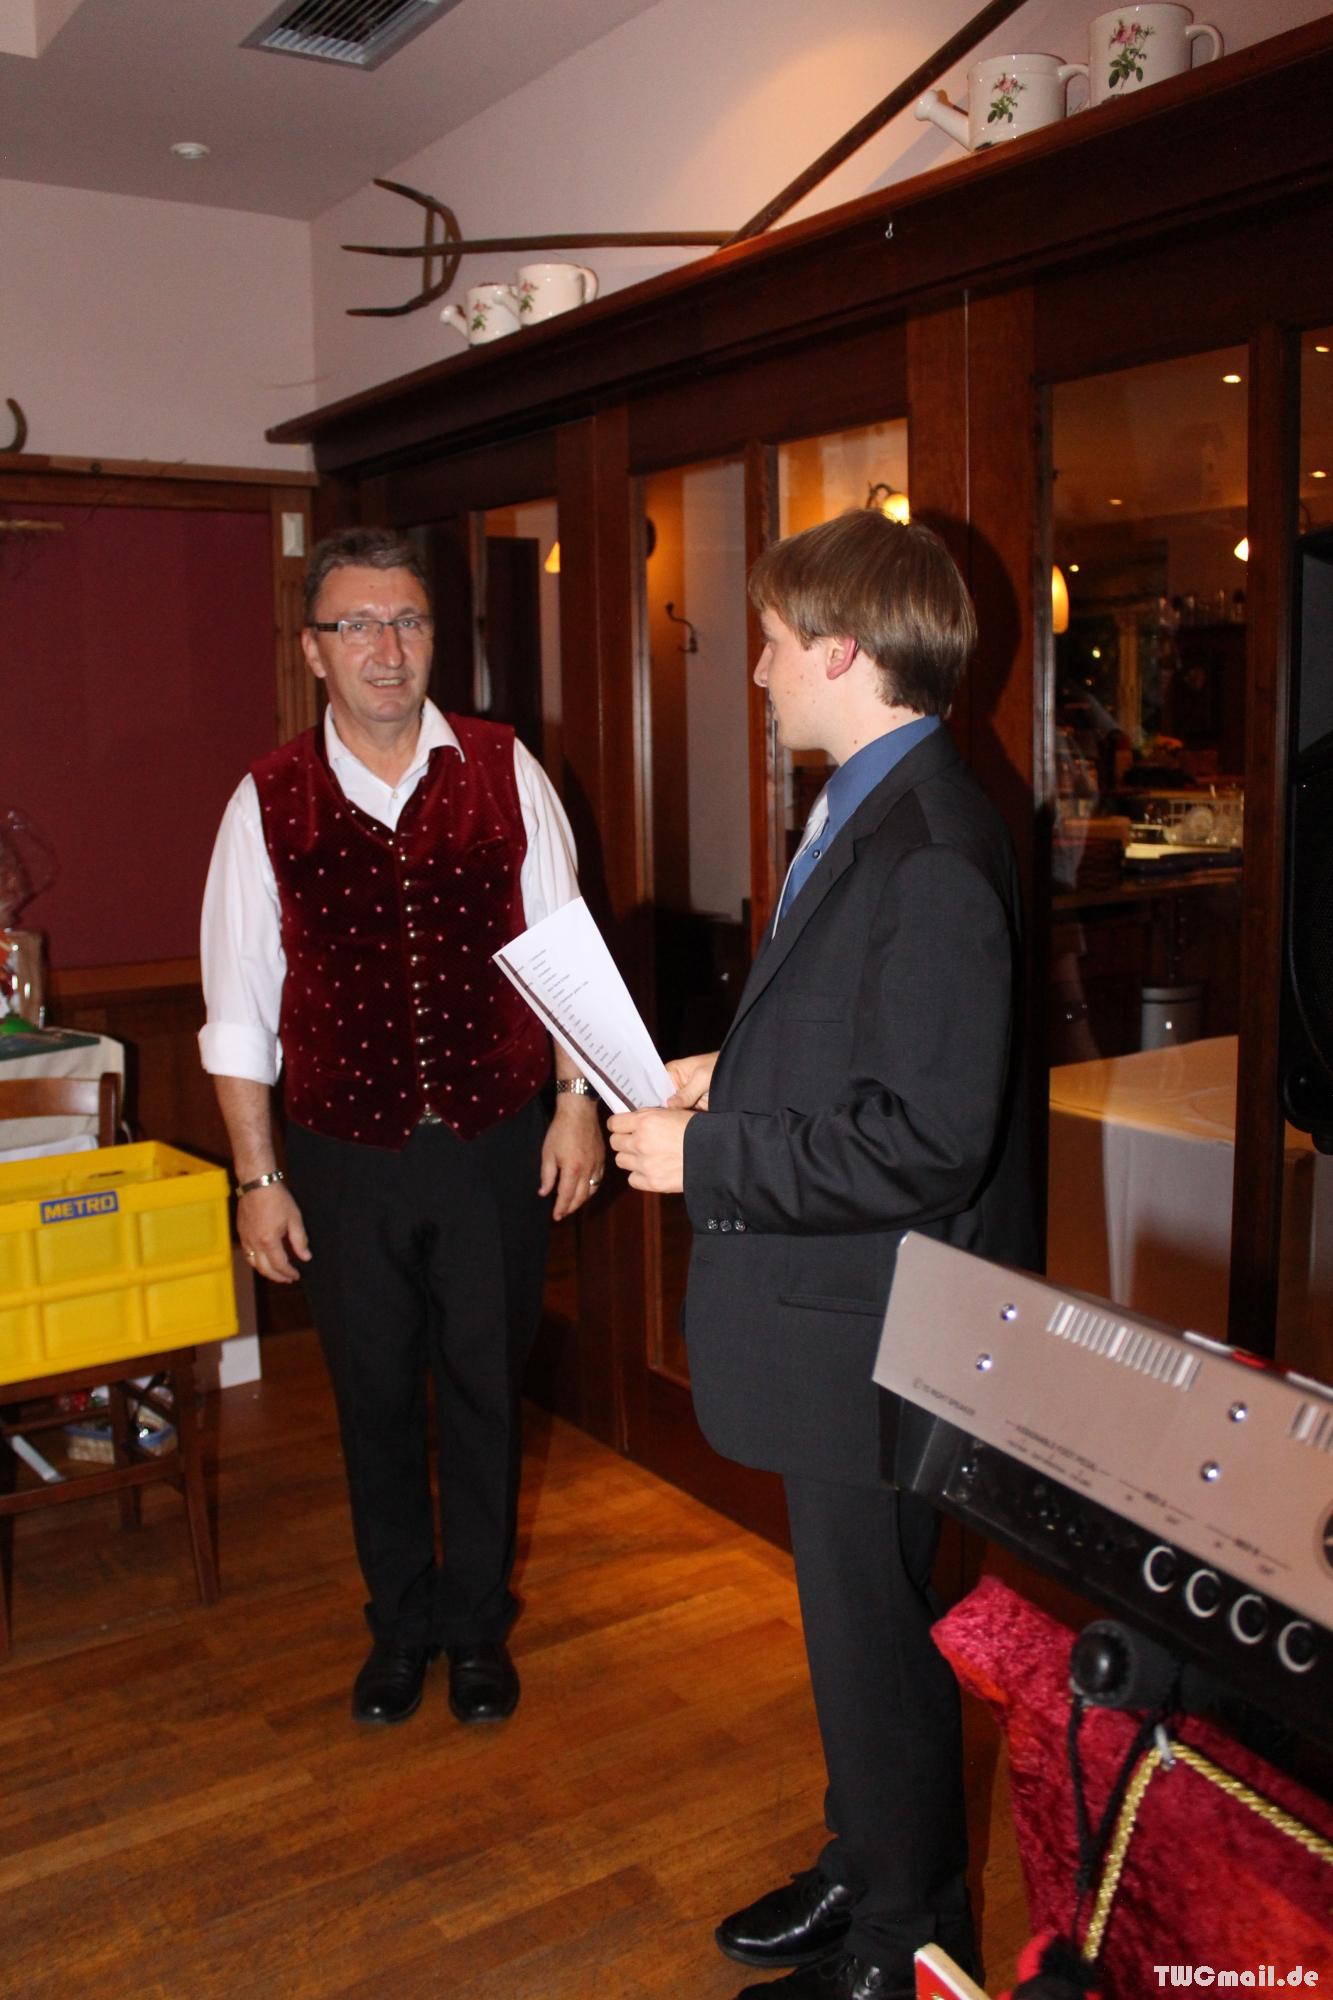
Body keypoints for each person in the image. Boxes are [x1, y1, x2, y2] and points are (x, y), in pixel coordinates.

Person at [608, 510, 1034, 2000]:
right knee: (855, 1633)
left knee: (876, 1641)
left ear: (846, 651)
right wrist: (731, 1072)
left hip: (878, 1324)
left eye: (777, 641)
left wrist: (709, 1156)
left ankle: (904, 1943)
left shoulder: (929, 844)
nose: (759, 670)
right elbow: (864, 1042)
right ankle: (869, 1861)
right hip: (845, 1309)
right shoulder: (877, 802)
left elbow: (929, 1141)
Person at [200, 525, 603, 1729]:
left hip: (491, 1140)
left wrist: (576, 1102)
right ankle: (399, 1622)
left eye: (409, 621)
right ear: (314, 650)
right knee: (372, 1395)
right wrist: (258, 1178)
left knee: (486, 1388)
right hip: (343, 1154)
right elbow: (238, 1008)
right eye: (358, 625)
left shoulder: (504, 768)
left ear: (435, 637)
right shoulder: (265, 799)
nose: (387, 647)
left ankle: (475, 1626)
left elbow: (564, 953)